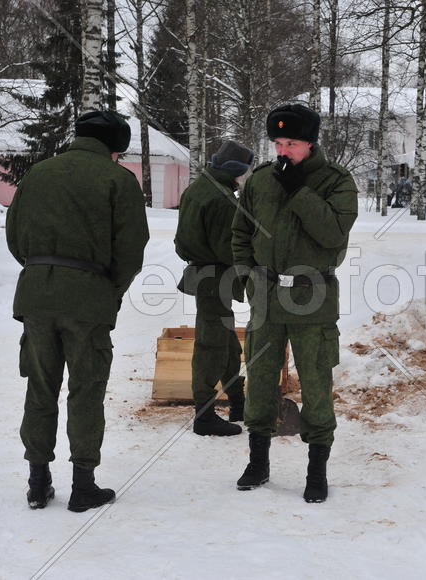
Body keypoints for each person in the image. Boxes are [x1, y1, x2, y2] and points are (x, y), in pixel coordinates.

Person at [6, 111, 149, 512]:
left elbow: (15, 236)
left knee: (40, 386)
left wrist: (41, 269)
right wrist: (108, 290)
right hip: (88, 297)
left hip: (35, 295)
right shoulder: (118, 179)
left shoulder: (37, 173)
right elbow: (130, 250)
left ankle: (37, 484)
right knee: (86, 390)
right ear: (114, 147)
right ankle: (83, 485)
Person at [231, 103, 358, 503]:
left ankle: (316, 470)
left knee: (316, 383)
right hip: (267, 298)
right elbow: (241, 233)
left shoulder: (336, 182)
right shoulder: (260, 180)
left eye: (292, 144)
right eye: (278, 143)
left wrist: (299, 191)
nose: (283, 151)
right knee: (259, 379)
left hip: (312, 298)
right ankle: (258, 461)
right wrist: (248, 278)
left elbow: (333, 234)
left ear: (310, 144)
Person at [175, 140, 255, 437]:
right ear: (236, 170)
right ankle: (204, 415)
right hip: (215, 278)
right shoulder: (222, 199)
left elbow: (182, 241)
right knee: (211, 345)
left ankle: (238, 404)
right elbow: (229, 249)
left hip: (204, 274)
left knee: (225, 340)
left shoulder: (196, 189)